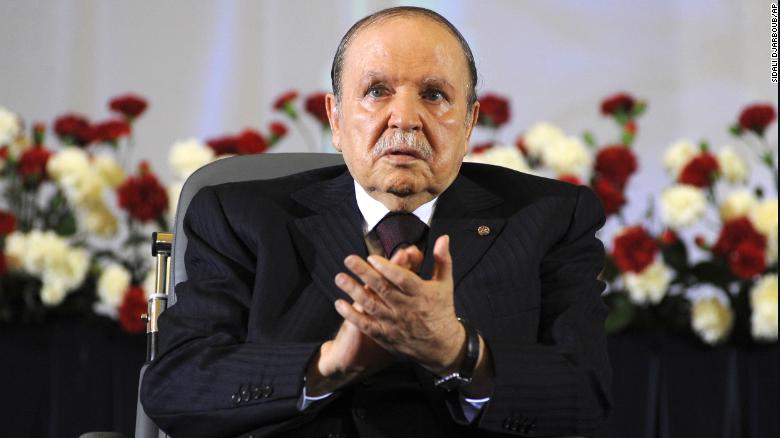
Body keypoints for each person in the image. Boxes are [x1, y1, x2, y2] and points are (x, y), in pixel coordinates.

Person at [141, 6, 612, 437]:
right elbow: (178, 386)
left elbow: (587, 403)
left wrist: (462, 353)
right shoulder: (242, 216)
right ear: (336, 118)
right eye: (376, 91)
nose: (404, 118)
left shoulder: (549, 219)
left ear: (469, 124)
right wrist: (326, 366)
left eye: (433, 94)